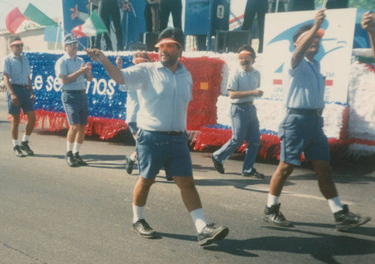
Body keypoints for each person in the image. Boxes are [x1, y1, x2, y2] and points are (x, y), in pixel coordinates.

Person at [86, 28, 230, 246]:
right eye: (161, 46)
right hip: (151, 137)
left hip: (177, 139)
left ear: (180, 49)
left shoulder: (185, 75)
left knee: (187, 183)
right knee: (146, 179)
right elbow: (120, 77)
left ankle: (202, 229)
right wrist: (103, 59)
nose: (163, 50)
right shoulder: (147, 70)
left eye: (169, 46)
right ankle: (138, 219)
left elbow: (182, 105)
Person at [264, 9, 371, 231]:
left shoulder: (316, 65)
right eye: (309, 38)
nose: (315, 41)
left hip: (314, 123)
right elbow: (297, 55)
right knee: (286, 167)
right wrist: (314, 26)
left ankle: (339, 214)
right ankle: (271, 210)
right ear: (296, 43)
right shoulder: (293, 63)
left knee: (324, 169)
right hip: (295, 121)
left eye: (317, 38)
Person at [212, 44, 264, 178]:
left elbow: (254, 92)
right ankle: (218, 156)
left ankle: (248, 169)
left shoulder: (256, 74)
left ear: (253, 59)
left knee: (255, 140)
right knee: (238, 139)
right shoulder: (235, 73)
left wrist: (254, 94)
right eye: (241, 58)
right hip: (238, 109)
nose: (243, 60)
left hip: (251, 108)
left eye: (246, 57)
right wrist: (253, 92)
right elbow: (232, 95)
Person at [55, 34, 93, 167]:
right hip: (70, 95)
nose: (75, 47)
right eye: (72, 44)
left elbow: (89, 79)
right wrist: (80, 71)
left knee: (82, 127)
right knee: (74, 126)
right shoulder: (62, 62)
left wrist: (87, 71)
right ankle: (69, 153)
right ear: (66, 47)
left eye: (76, 44)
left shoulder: (80, 60)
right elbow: (64, 80)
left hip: (82, 95)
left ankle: (77, 154)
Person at [115, 52, 151, 175]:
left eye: (144, 62)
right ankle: (144, 172)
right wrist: (119, 67)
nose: (141, 65)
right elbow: (122, 85)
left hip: (149, 117)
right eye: (138, 62)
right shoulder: (130, 74)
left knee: (146, 144)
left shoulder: (152, 75)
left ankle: (131, 159)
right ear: (134, 63)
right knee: (143, 144)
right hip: (134, 117)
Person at [3, 36, 37, 157]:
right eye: (17, 45)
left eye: (21, 45)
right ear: (11, 46)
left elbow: (28, 77)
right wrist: (12, 93)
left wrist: (31, 91)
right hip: (14, 88)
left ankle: (25, 141)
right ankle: (15, 145)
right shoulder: (8, 59)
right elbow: (6, 77)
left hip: (25, 90)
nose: (20, 48)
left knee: (32, 118)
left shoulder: (25, 59)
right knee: (16, 120)